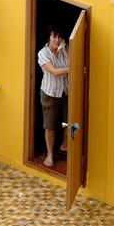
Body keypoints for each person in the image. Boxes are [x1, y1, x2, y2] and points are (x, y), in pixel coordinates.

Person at [38, 25, 70, 168]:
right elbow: (55, 71)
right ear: (49, 38)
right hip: (50, 94)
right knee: (50, 126)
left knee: (69, 122)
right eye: (54, 37)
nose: (57, 40)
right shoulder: (43, 53)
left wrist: (66, 49)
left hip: (65, 92)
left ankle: (65, 145)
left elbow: (74, 58)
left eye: (59, 37)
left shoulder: (65, 50)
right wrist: (72, 69)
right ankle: (50, 154)